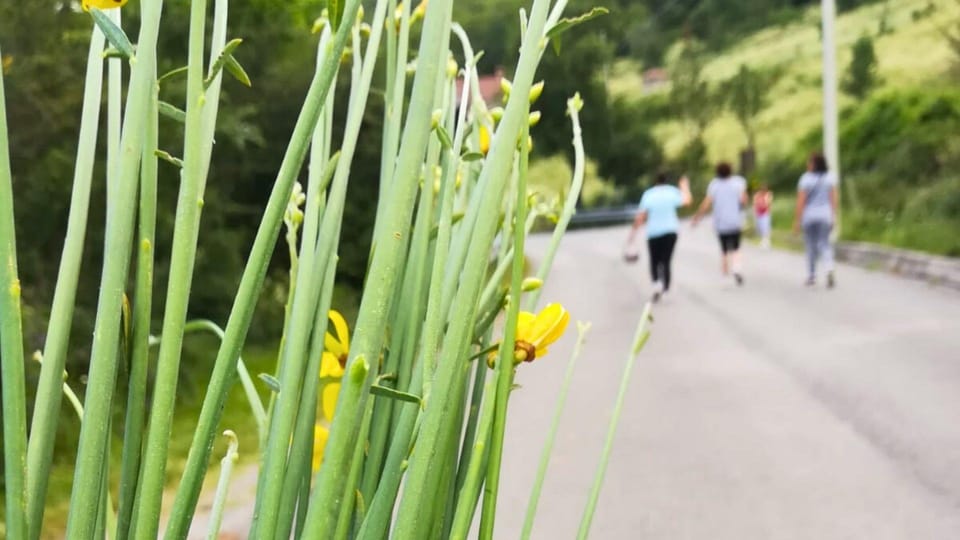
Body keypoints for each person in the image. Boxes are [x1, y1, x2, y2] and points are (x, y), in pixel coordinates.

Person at [626, 173, 692, 302]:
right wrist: (684, 186)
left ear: (655, 181)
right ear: (667, 181)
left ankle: (657, 284)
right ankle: (666, 287)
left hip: (654, 232)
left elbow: (641, 216)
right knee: (666, 260)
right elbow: (687, 201)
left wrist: (632, 234)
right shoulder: (672, 192)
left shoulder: (649, 194)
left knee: (654, 260)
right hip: (670, 231)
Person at [692, 162, 748, 286]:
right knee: (736, 247)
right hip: (735, 221)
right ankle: (737, 268)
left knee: (723, 249)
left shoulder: (714, 185)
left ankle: (724, 274)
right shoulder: (739, 182)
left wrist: (697, 217)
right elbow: (744, 201)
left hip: (721, 223)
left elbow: (706, 204)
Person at [793, 152, 838, 288]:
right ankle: (829, 268)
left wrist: (797, 220)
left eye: (809, 162)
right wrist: (833, 216)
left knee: (811, 246)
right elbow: (834, 200)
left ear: (814, 164)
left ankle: (812, 276)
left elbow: (801, 201)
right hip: (825, 215)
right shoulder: (830, 178)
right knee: (825, 244)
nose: (807, 164)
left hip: (809, 217)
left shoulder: (805, 179)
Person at [753, 183, 773, 249]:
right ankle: (763, 240)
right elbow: (755, 203)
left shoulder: (768, 194)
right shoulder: (757, 195)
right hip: (759, 213)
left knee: (765, 227)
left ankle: (766, 241)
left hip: (765, 213)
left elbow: (768, 203)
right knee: (760, 228)